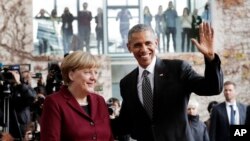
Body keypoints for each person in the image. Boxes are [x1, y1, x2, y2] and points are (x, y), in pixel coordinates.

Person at [111, 22, 223, 141]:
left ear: (156, 43)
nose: (144, 49)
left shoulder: (178, 69)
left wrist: (211, 59)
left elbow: (212, 88)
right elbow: (125, 124)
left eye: (148, 43)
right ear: (129, 47)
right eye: (137, 45)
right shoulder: (127, 83)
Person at [40, 51, 113, 141]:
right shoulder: (54, 102)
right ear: (71, 75)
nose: (94, 77)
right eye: (87, 72)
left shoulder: (100, 101)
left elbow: (109, 137)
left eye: (96, 72)